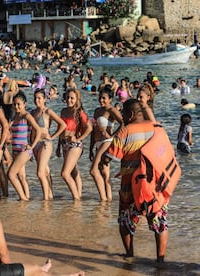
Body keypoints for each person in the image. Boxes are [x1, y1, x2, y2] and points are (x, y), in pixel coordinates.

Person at [101, 99, 170, 263]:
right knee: (159, 222)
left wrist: (103, 158)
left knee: (126, 223)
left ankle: (130, 255)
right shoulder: (157, 127)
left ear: (131, 114)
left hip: (130, 187)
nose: (122, 117)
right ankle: (160, 260)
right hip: (155, 186)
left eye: (124, 114)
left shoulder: (125, 131)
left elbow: (110, 157)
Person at [30, 88, 66, 200]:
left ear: (45, 99)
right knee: (45, 171)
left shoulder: (48, 112)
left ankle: (46, 199)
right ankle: (50, 194)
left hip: (45, 143)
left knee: (40, 172)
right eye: (35, 98)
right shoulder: (32, 113)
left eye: (39, 98)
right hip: (35, 144)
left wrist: (53, 136)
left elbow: (63, 125)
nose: (37, 100)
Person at [56, 89, 92, 200]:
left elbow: (89, 128)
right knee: (73, 171)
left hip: (74, 145)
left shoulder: (79, 112)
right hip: (64, 144)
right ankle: (79, 194)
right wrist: (58, 146)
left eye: (72, 98)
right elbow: (60, 129)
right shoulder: (63, 111)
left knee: (65, 173)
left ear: (77, 99)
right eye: (67, 97)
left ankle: (76, 198)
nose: (69, 100)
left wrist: (78, 138)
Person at [89, 87, 123, 201]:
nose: (101, 100)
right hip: (98, 143)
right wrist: (91, 148)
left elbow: (123, 123)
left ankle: (102, 199)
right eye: (100, 98)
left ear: (110, 99)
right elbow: (94, 131)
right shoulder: (97, 111)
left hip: (107, 142)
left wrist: (113, 135)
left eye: (104, 98)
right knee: (104, 172)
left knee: (93, 171)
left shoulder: (111, 110)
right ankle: (108, 199)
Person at [7, 92, 42, 201]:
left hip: (24, 150)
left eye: (19, 104)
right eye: (14, 104)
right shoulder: (14, 117)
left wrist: (32, 145)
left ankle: (23, 199)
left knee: (11, 174)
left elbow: (39, 130)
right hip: (15, 150)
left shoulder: (26, 116)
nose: (16, 106)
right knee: (21, 176)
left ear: (24, 104)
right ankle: (27, 197)